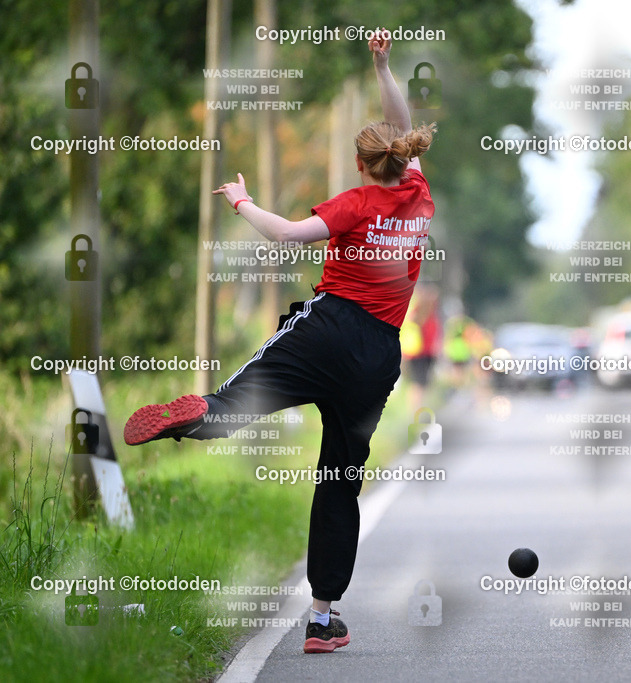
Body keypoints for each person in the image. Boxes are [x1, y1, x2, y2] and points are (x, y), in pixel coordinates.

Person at [123, 33, 435, 654]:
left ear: (360, 164)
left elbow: (289, 235)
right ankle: (322, 618)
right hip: (377, 355)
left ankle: (200, 418)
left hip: (325, 331)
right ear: (405, 159)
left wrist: (242, 202)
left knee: (234, 403)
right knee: (340, 476)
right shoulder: (418, 196)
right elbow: (402, 123)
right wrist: (383, 65)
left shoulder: (354, 203)